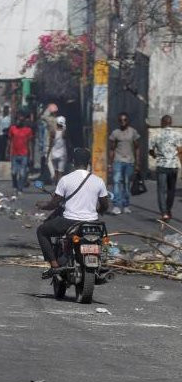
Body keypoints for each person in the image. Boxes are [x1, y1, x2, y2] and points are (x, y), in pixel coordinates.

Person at [35, 147, 110, 279]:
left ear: (73, 162)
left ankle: (54, 265)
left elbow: (54, 204)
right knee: (101, 240)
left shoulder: (65, 180)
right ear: (88, 163)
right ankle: (101, 261)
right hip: (91, 223)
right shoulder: (98, 181)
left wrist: (42, 205)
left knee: (41, 231)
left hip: (69, 223)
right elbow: (105, 205)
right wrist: (96, 211)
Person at [150, 115, 182, 221]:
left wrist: (155, 156)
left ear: (162, 123)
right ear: (171, 122)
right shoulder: (177, 135)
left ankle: (164, 213)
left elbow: (150, 149)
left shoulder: (156, 135)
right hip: (173, 166)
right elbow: (180, 151)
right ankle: (168, 210)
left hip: (161, 165)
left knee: (161, 190)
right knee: (171, 190)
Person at [108, 112, 141, 215]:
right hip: (117, 161)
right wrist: (110, 164)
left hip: (129, 161)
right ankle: (116, 205)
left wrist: (137, 163)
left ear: (128, 121)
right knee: (116, 182)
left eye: (125, 120)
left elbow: (137, 148)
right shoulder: (115, 133)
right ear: (118, 121)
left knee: (126, 183)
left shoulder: (133, 132)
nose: (123, 122)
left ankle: (126, 205)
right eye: (121, 120)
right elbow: (112, 149)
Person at [7, 114, 34, 194]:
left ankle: (20, 188)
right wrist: (7, 151)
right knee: (13, 172)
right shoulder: (12, 129)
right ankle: (15, 185)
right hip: (14, 154)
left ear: (23, 122)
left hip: (24, 154)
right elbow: (9, 141)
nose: (18, 122)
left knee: (22, 173)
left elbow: (30, 144)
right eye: (18, 120)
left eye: (20, 120)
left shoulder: (28, 130)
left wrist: (31, 155)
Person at [47, 115, 68, 184]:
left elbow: (50, 144)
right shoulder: (64, 132)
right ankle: (59, 188)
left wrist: (48, 154)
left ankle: (56, 187)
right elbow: (68, 143)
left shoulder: (53, 132)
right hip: (62, 154)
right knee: (61, 173)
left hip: (54, 154)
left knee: (56, 171)